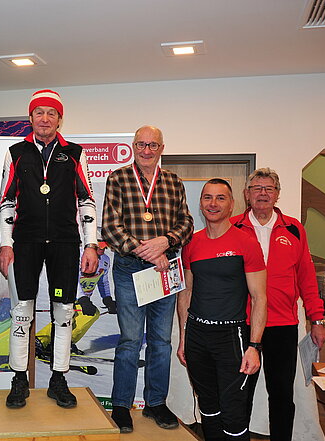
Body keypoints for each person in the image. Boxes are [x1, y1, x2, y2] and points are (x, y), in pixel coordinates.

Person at [0, 89, 98, 409]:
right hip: (26, 242)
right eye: (39, 112)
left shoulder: (75, 153)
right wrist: (6, 244)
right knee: (22, 310)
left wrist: (91, 244)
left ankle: (58, 378)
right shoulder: (15, 152)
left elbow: (87, 200)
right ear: (30, 118)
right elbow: (6, 201)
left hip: (65, 243)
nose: (45, 118)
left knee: (64, 311)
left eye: (51, 113)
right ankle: (19, 379)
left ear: (59, 119)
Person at [101, 125, 193, 433]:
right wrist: (149, 252)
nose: (147, 150)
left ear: (162, 148)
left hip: (164, 271)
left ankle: (155, 403)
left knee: (161, 341)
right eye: (141, 144)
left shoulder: (173, 182)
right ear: (133, 146)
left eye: (153, 145)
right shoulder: (118, 178)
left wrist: (166, 241)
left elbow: (186, 223)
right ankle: (121, 406)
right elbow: (111, 227)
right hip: (130, 269)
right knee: (129, 340)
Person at [231, 168, 325, 441]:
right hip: (243, 324)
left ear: (277, 194)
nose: (262, 193)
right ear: (247, 194)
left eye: (269, 188)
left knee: (282, 394)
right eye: (257, 188)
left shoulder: (294, 229)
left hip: (282, 324)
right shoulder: (233, 227)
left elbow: (307, 277)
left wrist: (317, 319)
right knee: (240, 393)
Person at [177, 179, 267, 441]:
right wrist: (183, 337)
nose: (213, 204)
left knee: (233, 410)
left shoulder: (246, 242)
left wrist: (254, 346)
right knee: (208, 406)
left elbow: (260, 298)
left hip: (231, 338)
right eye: (207, 197)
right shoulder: (192, 243)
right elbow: (186, 293)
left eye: (220, 198)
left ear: (231, 205)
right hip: (197, 336)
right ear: (200, 203)